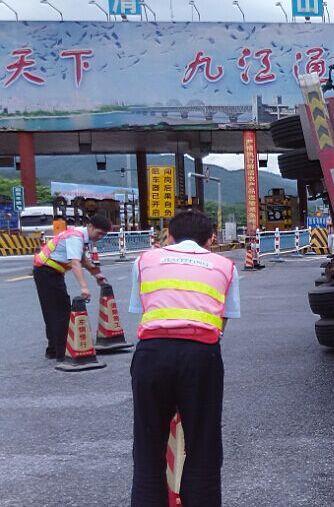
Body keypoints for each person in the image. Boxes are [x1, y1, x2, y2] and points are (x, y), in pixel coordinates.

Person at [128, 210, 240, 506]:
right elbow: (223, 320)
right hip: (201, 352)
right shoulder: (225, 266)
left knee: (148, 446)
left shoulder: (144, 260)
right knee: (203, 445)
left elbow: (143, 308)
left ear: (170, 235)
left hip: (152, 352)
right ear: (209, 240)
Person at [32, 213, 111, 360]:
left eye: (104, 235)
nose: (100, 237)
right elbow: (75, 263)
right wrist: (84, 287)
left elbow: (83, 259)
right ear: (90, 226)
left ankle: (54, 350)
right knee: (61, 313)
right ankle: (61, 353)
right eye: (99, 233)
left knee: (53, 312)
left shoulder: (80, 236)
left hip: (50, 272)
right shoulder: (76, 237)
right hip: (47, 272)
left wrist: (97, 274)